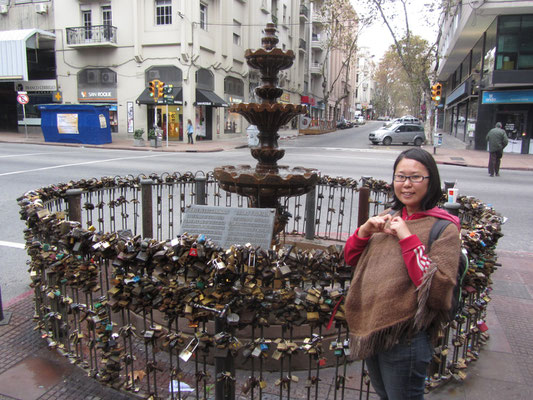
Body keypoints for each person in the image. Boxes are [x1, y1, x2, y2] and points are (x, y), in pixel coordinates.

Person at [344, 148, 461, 400]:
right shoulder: (388, 217)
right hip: (372, 329)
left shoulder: (444, 228)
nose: (406, 184)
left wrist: (408, 238)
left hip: (405, 336)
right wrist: (364, 231)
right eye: (400, 177)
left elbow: (438, 288)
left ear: (431, 183)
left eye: (416, 177)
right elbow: (351, 259)